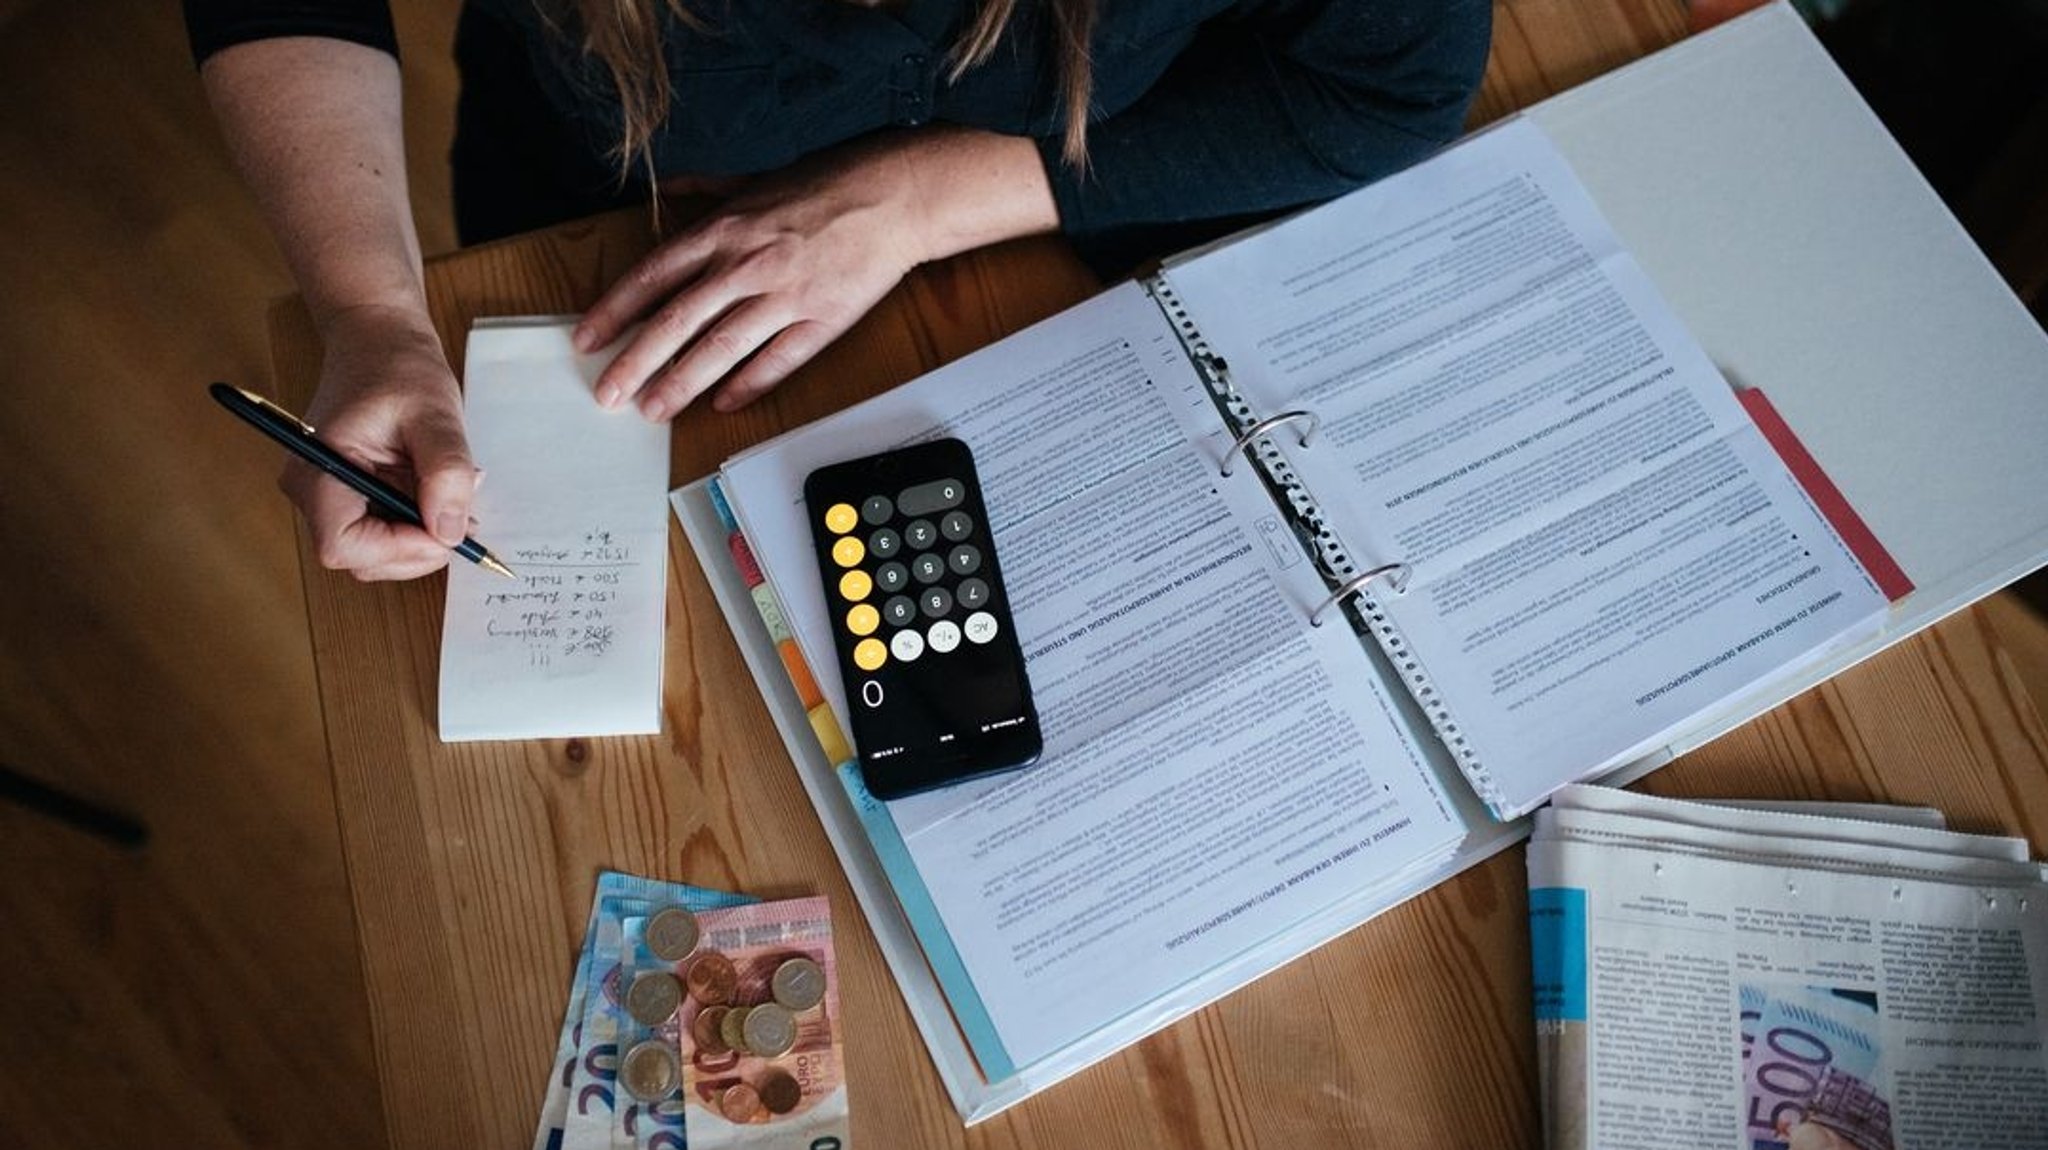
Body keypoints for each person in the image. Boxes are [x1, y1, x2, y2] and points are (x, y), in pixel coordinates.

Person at [185, 0, 1490, 581]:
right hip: (610, 218)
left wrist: (916, 200)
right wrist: (366, 310)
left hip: (1083, 200)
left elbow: (1398, 77)